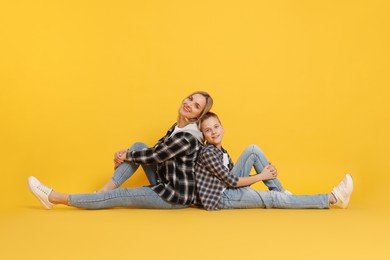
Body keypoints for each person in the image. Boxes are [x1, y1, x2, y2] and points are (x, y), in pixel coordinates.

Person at [28, 91, 213, 210]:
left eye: (196, 106)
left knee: (120, 195)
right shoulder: (177, 127)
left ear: (199, 115)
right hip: (165, 180)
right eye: (190, 98)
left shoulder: (188, 137)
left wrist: (127, 156)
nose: (190, 104)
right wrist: (128, 156)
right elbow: (155, 150)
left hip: (175, 195)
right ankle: (101, 193)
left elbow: (156, 155)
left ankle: (54, 198)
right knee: (139, 146)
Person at [194, 112, 353, 210]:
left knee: (253, 150)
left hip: (227, 190)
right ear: (204, 136)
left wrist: (266, 172)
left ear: (222, 128)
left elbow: (234, 179)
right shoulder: (208, 152)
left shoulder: (222, 152)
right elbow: (231, 182)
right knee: (272, 199)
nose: (213, 132)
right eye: (208, 130)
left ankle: (283, 193)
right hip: (220, 199)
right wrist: (262, 176)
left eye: (216, 127)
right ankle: (333, 198)